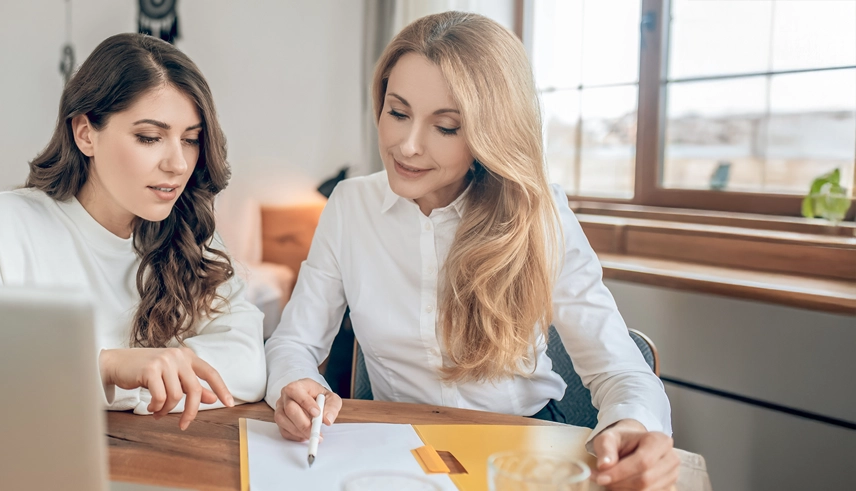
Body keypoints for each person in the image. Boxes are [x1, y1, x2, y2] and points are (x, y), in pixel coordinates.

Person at [265, 12, 677, 490]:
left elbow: (619, 369)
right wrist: (295, 386)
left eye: (445, 127)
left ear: (489, 134)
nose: (408, 146)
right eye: (398, 113)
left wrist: (633, 427)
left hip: (520, 450)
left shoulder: (537, 214)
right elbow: (295, 343)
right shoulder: (350, 206)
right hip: (396, 452)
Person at [0, 33, 266, 431]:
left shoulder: (192, 235)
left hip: (157, 460)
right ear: (85, 133)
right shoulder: (5, 225)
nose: (179, 164)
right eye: (149, 137)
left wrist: (119, 383)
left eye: (191, 140)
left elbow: (247, 364)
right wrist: (107, 367)